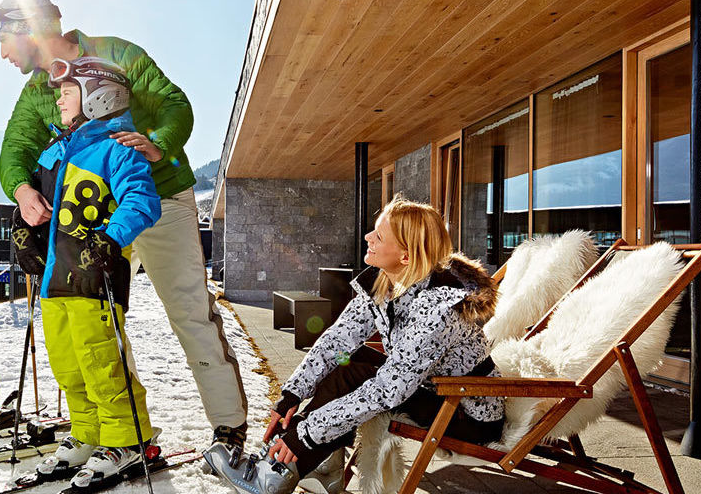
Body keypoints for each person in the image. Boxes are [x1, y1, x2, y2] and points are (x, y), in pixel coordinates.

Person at [0, 0, 249, 455]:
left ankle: (229, 425)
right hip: (93, 216)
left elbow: (174, 105)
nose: (3, 52)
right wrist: (24, 193)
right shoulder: (35, 92)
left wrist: (159, 144)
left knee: (189, 312)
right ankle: (122, 430)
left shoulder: (117, 52)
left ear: (31, 28)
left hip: (161, 196)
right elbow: (15, 152)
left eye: (4, 39)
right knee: (97, 320)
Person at [205, 197, 505, 494]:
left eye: (379, 235)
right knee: (347, 361)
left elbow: (389, 390)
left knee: (359, 378)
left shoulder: (439, 308)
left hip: (466, 413)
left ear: (405, 256)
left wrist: (306, 434)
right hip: (429, 389)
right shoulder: (385, 283)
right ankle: (318, 467)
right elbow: (337, 341)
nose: (367, 237)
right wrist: (292, 393)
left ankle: (276, 475)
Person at [14, 56, 163, 485]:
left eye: (68, 88)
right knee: (68, 366)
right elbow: (35, 205)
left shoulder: (119, 148)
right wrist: (21, 229)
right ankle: (86, 434)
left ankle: (127, 440)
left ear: (99, 96)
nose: (59, 96)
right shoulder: (54, 153)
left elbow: (141, 201)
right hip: (54, 281)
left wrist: (110, 239)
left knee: (102, 363)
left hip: (96, 279)